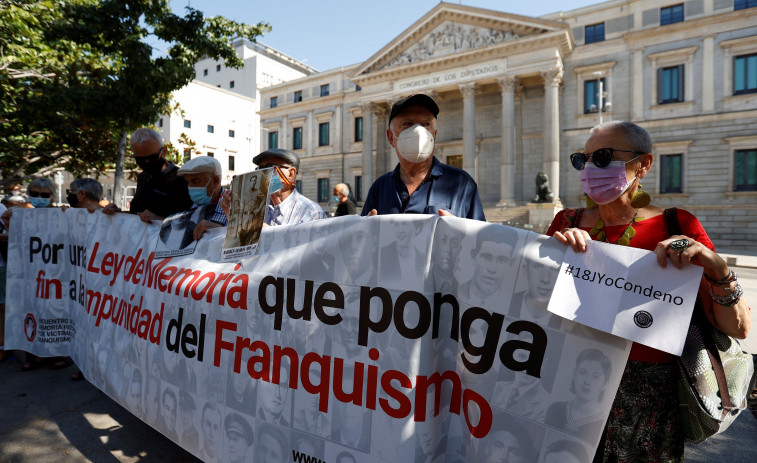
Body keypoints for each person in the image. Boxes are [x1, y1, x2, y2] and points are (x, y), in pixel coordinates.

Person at [548, 120, 751, 462]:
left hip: (647, 399)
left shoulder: (678, 225)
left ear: (644, 164)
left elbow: (739, 328)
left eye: (603, 156)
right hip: (572, 385)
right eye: (584, 160)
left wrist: (717, 269)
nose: (590, 168)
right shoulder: (565, 224)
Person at [361, 93, 485, 220]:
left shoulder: (462, 183)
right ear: (391, 137)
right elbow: (363, 236)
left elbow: (480, 237)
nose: (419, 131)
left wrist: (458, 230)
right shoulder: (380, 187)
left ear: (434, 135)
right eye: (408, 123)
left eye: (426, 124)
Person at [103, 127, 192, 222]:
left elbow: (189, 220)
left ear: (164, 151)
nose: (146, 162)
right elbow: (137, 212)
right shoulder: (143, 177)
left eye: (151, 158)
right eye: (140, 160)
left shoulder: (183, 179)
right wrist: (116, 213)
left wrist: (159, 219)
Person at [222, 148, 326, 226]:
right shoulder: (256, 208)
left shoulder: (311, 212)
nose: (262, 173)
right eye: (260, 168)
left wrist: (269, 233)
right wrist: (232, 214)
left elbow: (310, 252)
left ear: (291, 174)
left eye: (269, 167)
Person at [544, 348, 611, 443]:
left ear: (604, 384)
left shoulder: (604, 423)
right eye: (582, 373)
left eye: (595, 376)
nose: (587, 382)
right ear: (575, 375)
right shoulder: (555, 409)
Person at [457, 225, 518, 307]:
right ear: (473, 256)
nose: (492, 269)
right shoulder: (453, 291)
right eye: (486, 257)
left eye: (502, 260)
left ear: (511, 264)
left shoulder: (514, 305)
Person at [175, 156, 227, 240]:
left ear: (215, 181)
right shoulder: (192, 208)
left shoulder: (235, 206)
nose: (190, 187)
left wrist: (219, 230)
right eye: (188, 182)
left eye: (195, 181)